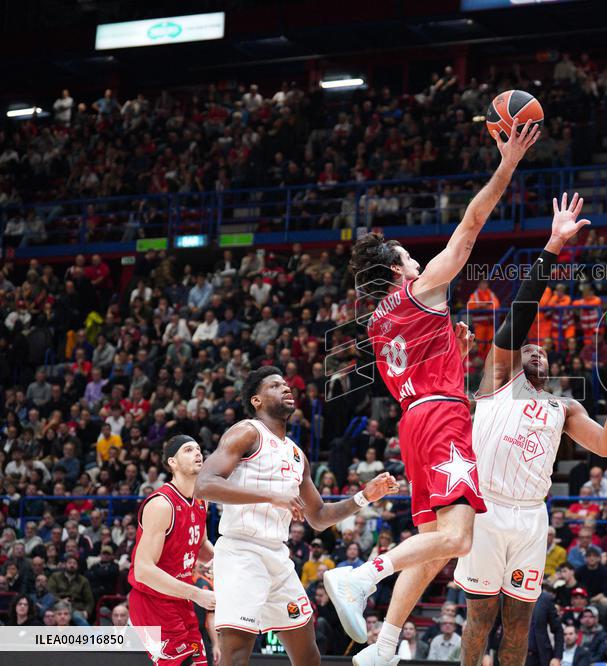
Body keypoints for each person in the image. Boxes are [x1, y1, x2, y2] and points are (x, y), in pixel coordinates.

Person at [332, 120, 538, 666]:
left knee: (431, 543)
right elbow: (470, 227)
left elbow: (423, 369)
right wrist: (507, 164)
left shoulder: (377, 319)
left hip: (418, 419)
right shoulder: (419, 290)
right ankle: (361, 577)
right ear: (398, 272)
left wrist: (455, 348)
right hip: (441, 421)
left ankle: (383, 645)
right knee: (460, 538)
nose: (418, 260)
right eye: (408, 257)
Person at [456, 195, 607, 666]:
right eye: (528, 348)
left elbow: (606, 446)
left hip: (532, 516)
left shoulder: (564, 404)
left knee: (520, 622)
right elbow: (520, 310)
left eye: (543, 352)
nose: (535, 353)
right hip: (487, 507)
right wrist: (553, 246)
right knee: (480, 618)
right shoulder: (499, 379)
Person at [195, 367, 399, 666]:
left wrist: (364, 496)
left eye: (286, 384)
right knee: (236, 656)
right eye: (275, 386)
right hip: (241, 552)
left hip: (278, 555)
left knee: (308, 657)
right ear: (256, 400)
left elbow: (317, 516)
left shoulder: (296, 454)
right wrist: (270, 496)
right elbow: (204, 484)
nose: (286, 388)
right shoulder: (247, 431)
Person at [128, 435, 215, 666]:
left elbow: (201, 546)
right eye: (188, 450)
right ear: (172, 462)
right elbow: (143, 570)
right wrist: (196, 593)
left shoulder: (201, 500)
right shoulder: (161, 505)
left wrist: (225, 562)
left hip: (179, 598)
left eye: (198, 449)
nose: (197, 453)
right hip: (151, 601)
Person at [526, 589, 564, 666]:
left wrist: (557, 657)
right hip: (513, 654)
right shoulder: (509, 596)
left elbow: (558, 629)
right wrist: (493, 651)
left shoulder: (545, 599)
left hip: (539, 657)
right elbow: (497, 623)